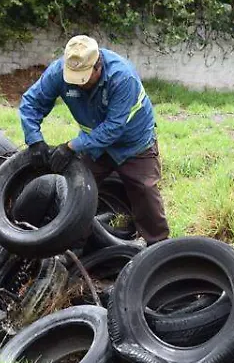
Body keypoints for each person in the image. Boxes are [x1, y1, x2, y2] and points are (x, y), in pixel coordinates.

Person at [18, 35, 170, 245]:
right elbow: (31, 102)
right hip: (94, 147)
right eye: (74, 78)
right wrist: (34, 140)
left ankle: (158, 247)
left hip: (134, 144)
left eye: (84, 78)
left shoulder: (122, 77)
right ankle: (77, 245)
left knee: (144, 191)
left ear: (98, 65)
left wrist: (71, 147)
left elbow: (113, 129)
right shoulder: (58, 72)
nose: (79, 85)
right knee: (79, 191)